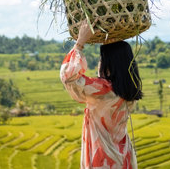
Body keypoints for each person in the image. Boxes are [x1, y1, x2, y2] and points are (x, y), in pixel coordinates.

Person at [60, 20, 143, 169]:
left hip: (104, 161)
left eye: (101, 59)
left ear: (108, 64)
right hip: (124, 157)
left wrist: (79, 43)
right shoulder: (130, 89)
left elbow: (68, 76)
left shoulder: (102, 90)